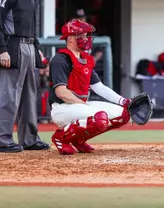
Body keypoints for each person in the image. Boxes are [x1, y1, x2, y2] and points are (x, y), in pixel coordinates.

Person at [0, 0, 50, 153]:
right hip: (13, 47)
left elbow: (31, 28)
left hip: (29, 47)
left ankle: (29, 139)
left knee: (29, 96)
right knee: (8, 96)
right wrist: (2, 49)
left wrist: (38, 49)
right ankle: (3, 141)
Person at [49, 19, 133, 155]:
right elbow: (61, 93)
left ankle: (78, 139)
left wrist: (123, 101)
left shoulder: (85, 59)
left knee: (123, 115)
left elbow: (99, 87)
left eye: (86, 35)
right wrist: (86, 107)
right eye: (82, 35)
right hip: (62, 108)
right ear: (70, 38)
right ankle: (61, 138)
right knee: (100, 117)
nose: (86, 38)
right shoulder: (61, 59)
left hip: (79, 106)